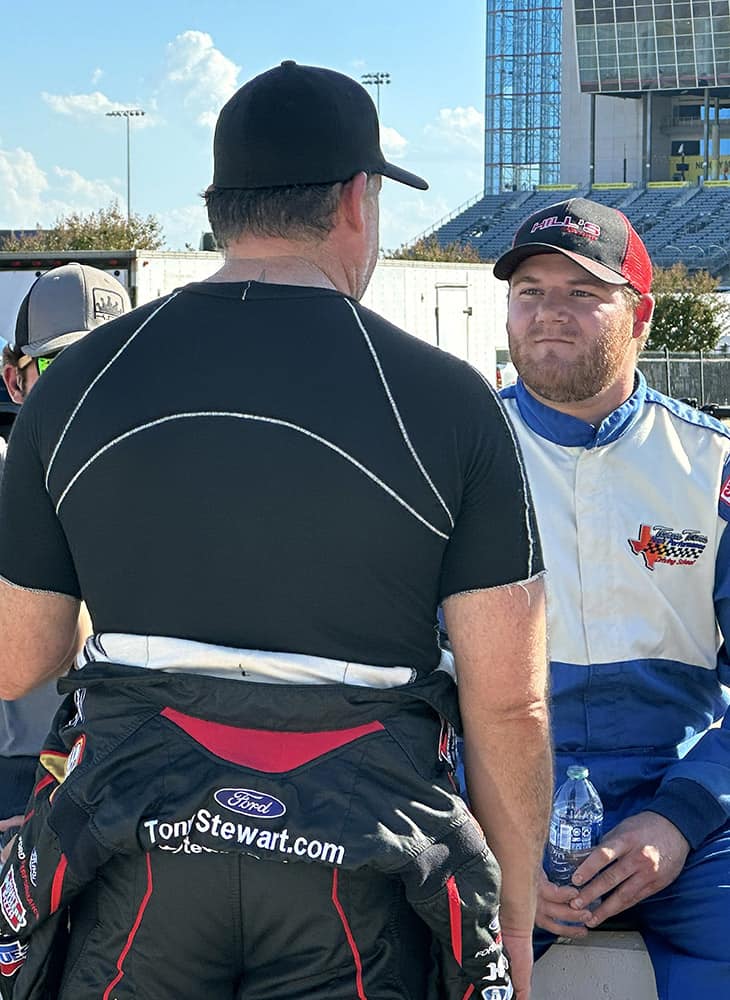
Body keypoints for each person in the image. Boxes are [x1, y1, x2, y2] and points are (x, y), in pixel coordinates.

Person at [0, 62, 551, 1000]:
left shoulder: (80, 382)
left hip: (138, 850)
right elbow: (510, 704)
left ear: (219, 207)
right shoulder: (452, 402)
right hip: (358, 864)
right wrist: (514, 924)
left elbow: (23, 656)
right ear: (355, 201)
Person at [492, 196, 730, 999]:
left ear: (643, 318)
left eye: (581, 294)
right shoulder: (457, 458)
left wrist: (681, 818)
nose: (548, 314)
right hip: (493, 798)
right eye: (530, 290)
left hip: (685, 802)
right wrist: (495, 828)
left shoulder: (712, 469)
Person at [0, 263, 130, 855]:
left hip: (121, 776)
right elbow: (28, 662)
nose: (87, 385)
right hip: (22, 773)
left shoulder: (164, 480)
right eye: (58, 364)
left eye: (111, 364)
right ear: (14, 378)